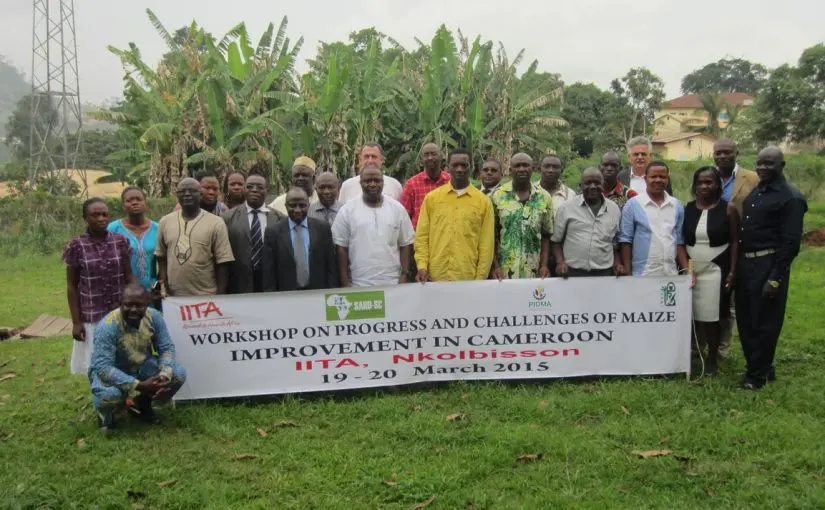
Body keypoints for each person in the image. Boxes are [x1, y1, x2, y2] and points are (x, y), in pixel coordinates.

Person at [737, 147, 807, 390]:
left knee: (765, 321)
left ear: (782, 165)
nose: (762, 168)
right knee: (746, 319)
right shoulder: (759, 190)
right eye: (759, 163)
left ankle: (756, 377)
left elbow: (791, 244)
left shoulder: (790, 198)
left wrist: (775, 277)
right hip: (747, 263)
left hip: (768, 265)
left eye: (769, 164)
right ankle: (761, 367)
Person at [89, 284, 186, 432]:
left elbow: (166, 347)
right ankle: (106, 415)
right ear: (121, 303)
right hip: (113, 370)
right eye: (128, 305)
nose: (133, 309)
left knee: (178, 374)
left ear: (147, 305)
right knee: (109, 395)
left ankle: (141, 404)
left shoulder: (154, 316)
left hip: (142, 365)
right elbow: (103, 368)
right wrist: (139, 385)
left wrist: (164, 374)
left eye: (139, 305)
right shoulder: (107, 326)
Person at [64, 198, 134, 374]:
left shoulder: (120, 241)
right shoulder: (76, 246)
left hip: (119, 313)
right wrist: (76, 322)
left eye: (104, 214)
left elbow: (128, 276)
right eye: (95, 215)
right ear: (85, 218)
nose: (101, 219)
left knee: (122, 361)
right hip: (92, 315)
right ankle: (100, 391)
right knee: (98, 364)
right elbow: (72, 285)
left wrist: (144, 294)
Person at [683, 167, 740, 375]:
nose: (704, 186)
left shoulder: (728, 209)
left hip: (716, 269)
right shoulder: (688, 208)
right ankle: (692, 354)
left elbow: (735, 241)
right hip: (691, 269)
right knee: (691, 315)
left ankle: (712, 360)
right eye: (700, 182)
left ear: (718, 185)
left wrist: (733, 271)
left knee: (712, 316)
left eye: (709, 182)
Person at [415, 148, 494, 282]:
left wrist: (481, 277)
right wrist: (422, 266)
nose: (459, 169)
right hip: (435, 277)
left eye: (464, 165)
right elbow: (422, 236)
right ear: (447, 167)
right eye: (455, 165)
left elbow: (486, 244)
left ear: (471, 167)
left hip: (467, 278)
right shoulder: (432, 199)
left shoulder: (483, 202)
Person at [713, 138, 759, 360]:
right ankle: (702, 343)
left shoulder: (752, 178)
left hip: (740, 244)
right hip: (713, 245)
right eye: (718, 153)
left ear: (736, 153)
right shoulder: (708, 176)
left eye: (727, 152)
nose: (722, 156)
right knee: (712, 298)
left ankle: (723, 347)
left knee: (730, 299)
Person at [333, 165, 415, 287]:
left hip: (393, 282)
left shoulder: (397, 209)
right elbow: (341, 248)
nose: (372, 184)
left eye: (377, 180)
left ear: (383, 182)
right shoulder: (347, 210)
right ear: (360, 183)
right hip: (358, 283)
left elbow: (406, 244)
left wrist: (404, 275)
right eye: (367, 181)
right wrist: (345, 282)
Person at [156, 178, 235, 297]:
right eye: (182, 191)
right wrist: (163, 285)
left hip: (206, 295)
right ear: (177, 195)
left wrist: (220, 295)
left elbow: (223, 262)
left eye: (192, 191)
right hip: (173, 297)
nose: (187, 194)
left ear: (200, 194)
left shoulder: (216, 223)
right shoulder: (165, 222)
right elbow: (161, 256)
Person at [619, 161, 689, 277]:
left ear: (668, 179)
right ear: (645, 179)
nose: (658, 180)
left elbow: (679, 242)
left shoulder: (677, 205)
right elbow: (626, 241)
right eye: (653, 176)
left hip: (670, 275)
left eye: (662, 177)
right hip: (642, 275)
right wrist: (628, 272)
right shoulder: (633, 204)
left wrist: (686, 270)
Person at [489, 153, 553, 279]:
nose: (522, 169)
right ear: (510, 170)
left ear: (533, 169)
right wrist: (495, 266)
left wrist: (544, 265)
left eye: (525, 165)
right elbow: (491, 235)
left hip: (534, 272)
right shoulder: (496, 196)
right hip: (504, 272)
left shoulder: (544, 197)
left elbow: (546, 235)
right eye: (517, 166)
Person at [263, 187, 339, 291]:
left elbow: (331, 265)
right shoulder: (273, 232)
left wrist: (332, 291)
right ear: (286, 206)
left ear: (308, 205)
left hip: (317, 292)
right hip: (287, 293)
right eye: (293, 205)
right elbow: (269, 271)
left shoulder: (323, 228)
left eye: (302, 205)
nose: (297, 210)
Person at [552, 168, 624, 277]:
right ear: (580, 185)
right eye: (588, 183)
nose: (593, 186)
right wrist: (560, 263)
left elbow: (615, 244)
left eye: (597, 183)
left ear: (603, 185)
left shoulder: (614, 209)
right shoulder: (566, 208)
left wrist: (617, 264)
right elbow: (555, 241)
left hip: (605, 273)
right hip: (572, 273)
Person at [222, 173, 283, 294]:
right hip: (239, 284)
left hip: (270, 282)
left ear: (267, 190)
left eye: (260, 187)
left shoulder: (279, 218)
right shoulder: (228, 218)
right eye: (250, 186)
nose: (254, 190)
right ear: (244, 189)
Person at [107, 186, 159, 294]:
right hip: (122, 291)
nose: (134, 203)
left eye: (139, 199)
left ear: (145, 203)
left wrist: (158, 285)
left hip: (151, 290)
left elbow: (164, 261)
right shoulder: (113, 229)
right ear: (123, 206)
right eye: (129, 200)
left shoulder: (158, 229)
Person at [401, 143, 451, 228]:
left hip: (446, 232)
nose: (430, 157)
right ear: (421, 159)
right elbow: (403, 216)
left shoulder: (451, 181)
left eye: (433, 154)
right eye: (426, 155)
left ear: (441, 156)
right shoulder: (412, 184)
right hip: (419, 234)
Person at [338, 143, 403, 203]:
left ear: (382, 160)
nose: (370, 161)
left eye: (374, 157)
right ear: (360, 160)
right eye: (366, 156)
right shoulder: (347, 186)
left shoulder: (394, 186)